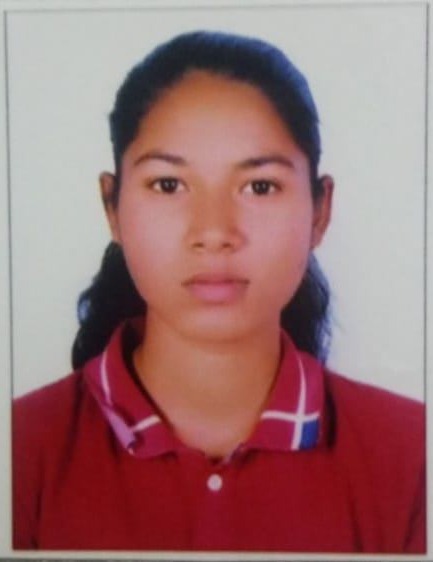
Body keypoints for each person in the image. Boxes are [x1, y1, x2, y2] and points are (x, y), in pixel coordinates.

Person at [12, 30, 425, 553]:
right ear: (111, 207)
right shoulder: (19, 451)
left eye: (260, 186)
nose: (213, 232)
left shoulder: (414, 456)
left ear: (320, 211)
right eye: (168, 184)